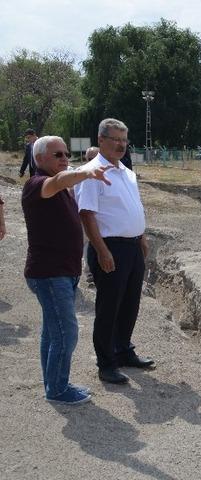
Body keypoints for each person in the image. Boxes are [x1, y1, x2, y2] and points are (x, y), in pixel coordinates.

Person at [22, 135, 113, 405]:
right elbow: (59, 181)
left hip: (62, 272)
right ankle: (58, 389)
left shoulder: (59, 186)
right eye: (57, 155)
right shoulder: (37, 184)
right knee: (66, 331)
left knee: (53, 331)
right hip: (50, 274)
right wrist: (85, 172)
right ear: (39, 160)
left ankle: (54, 383)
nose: (65, 159)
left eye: (66, 154)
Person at [77, 118, 154, 385]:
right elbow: (87, 214)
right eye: (115, 140)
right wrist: (101, 250)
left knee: (130, 303)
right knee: (109, 307)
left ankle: (123, 350)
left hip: (132, 246)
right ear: (101, 141)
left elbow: (133, 207)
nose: (121, 145)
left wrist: (141, 237)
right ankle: (106, 363)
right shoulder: (91, 172)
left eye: (124, 140)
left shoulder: (126, 171)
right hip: (110, 248)